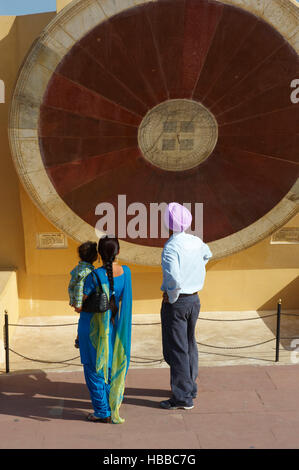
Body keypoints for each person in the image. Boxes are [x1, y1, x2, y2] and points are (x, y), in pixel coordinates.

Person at [160, 202, 212, 410]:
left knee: (177, 349)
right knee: (189, 344)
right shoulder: (196, 241)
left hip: (178, 301)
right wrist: (196, 270)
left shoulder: (172, 246)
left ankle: (182, 397)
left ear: (168, 224)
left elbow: (172, 277)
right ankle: (190, 387)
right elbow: (208, 255)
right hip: (194, 299)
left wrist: (172, 297)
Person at [78, 236, 132, 424]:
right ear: (118, 252)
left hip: (91, 328)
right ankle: (110, 403)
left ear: (99, 254)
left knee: (93, 369)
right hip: (114, 326)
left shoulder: (94, 276)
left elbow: (79, 304)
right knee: (109, 366)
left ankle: (102, 411)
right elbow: (124, 301)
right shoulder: (126, 272)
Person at [68, 241, 98, 349]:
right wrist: (79, 304)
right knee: (88, 322)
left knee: (82, 321)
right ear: (94, 256)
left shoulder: (78, 267)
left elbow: (72, 286)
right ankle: (79, 339)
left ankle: (78, 338)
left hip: (77, 299)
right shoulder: (87, 271)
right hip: (85, 303)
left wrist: (73, 300)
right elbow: (80, 286)